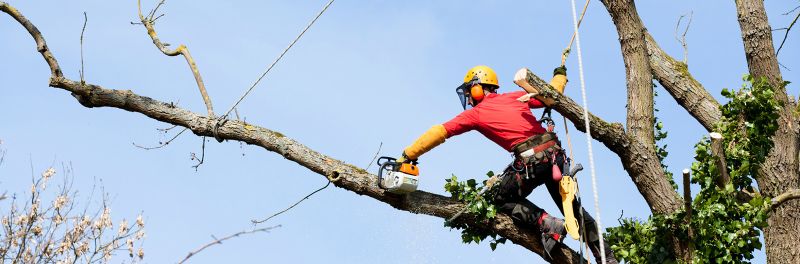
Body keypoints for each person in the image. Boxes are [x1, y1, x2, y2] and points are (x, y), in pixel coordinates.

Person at [397, 65, 617, 263]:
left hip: (531, 161)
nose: (469, 99)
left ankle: (546, 222)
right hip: (554, 158)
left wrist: (408, 154)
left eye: (469, 92)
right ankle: (607, 258)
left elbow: (440, 132)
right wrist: (560, 76)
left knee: (500, 199)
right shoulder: (515, 97)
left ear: (477, 88)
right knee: (573, 209)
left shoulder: (476, 113)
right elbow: (552, 95)